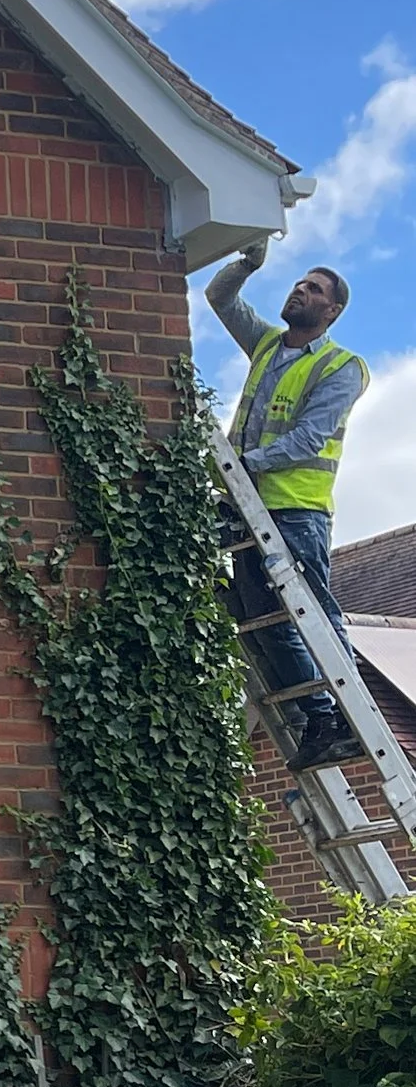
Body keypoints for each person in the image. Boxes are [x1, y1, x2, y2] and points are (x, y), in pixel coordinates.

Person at [205, 246, 370, 769]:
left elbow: (308, 438)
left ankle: (344, 715)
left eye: (315, 289)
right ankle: (319, 715)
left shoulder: (342, 366)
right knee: (266, 620)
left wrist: (242, 464)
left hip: (296, 511)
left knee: (313, 615)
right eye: (300, 283)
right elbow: (219, 298)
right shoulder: (268, 346)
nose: (301, 290)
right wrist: (247, 263)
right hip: (248, 506)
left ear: (332, 311)